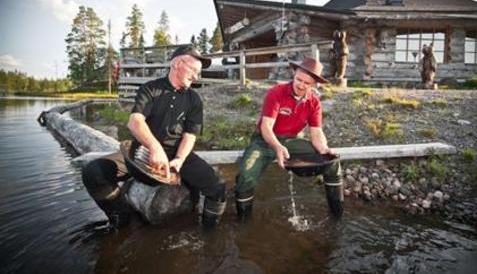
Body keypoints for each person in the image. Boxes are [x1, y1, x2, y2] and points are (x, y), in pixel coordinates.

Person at [82, 46, 226, 229]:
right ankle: (120, 219)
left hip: (177, 154)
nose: (196, 76)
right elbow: (135, 121)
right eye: (193, 70)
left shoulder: (194, 99)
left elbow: (190, 135)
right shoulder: (150, 88)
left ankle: (209, 232)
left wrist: (180, 160)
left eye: (199, 73)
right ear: (178, 64)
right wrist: (154, 147)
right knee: (93, 173)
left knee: (217, 189)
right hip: (141, 152)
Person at [234, 57, 344, 220]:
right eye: (299, 79)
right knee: (245, 175)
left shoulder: (314, 102)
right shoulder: (276, 93)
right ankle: (244, 220)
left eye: (307, 83)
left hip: (291, 142)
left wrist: (324, 149)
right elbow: (266, 127)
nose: (301, 85)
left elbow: (316, 133)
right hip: (264, 141)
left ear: (314, 84)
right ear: (294, 73)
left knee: (332, 163)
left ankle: (337, 214)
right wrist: (277, 147)